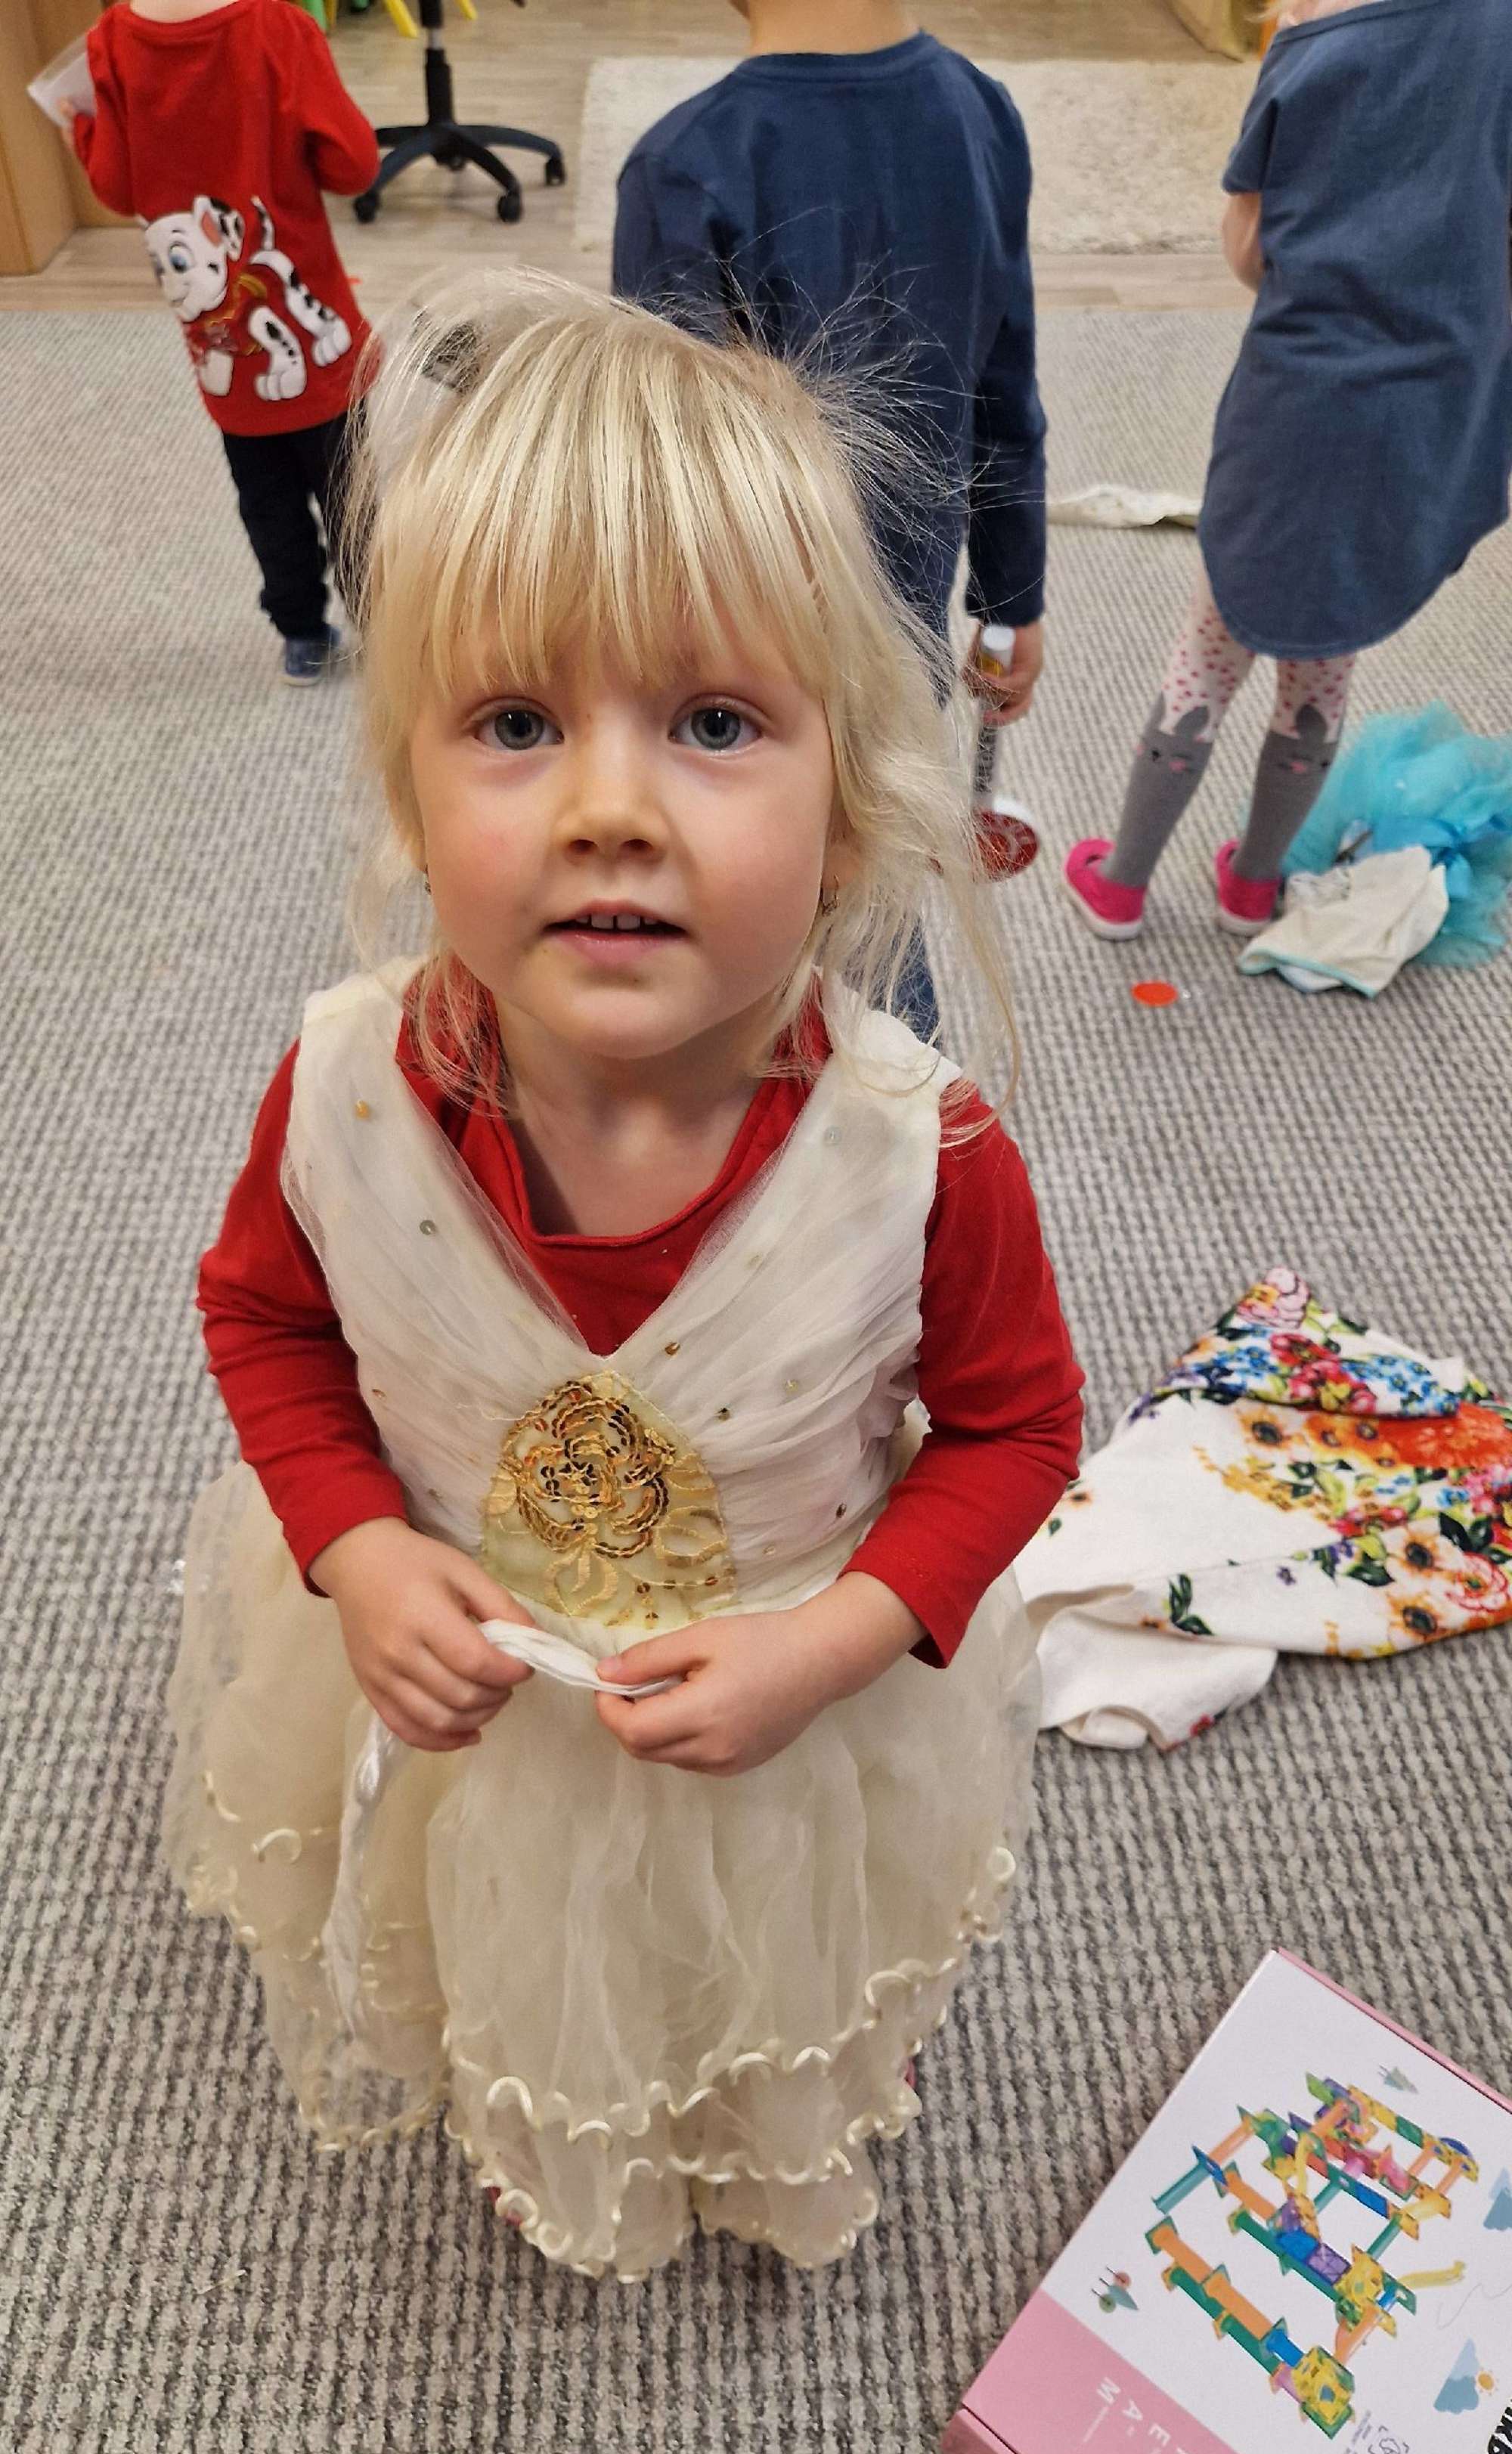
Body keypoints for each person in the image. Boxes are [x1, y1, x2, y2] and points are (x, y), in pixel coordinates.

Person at [166, 273, 1083, 2281]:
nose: (605, 808)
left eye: (714, 723)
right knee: (486, 1921)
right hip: (462, 1680)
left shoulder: (916, 1156)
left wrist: (832, 1646)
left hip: (778, 1692)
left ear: (848, 814)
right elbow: (268, 1320)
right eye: (515, 724)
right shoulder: (344, 1093)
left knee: (740, 1956)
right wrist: (356, 1549)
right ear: (412, 795)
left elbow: (1018, 1430)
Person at [612, 0, 1049, 1033]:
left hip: (740, 657)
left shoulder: (684, 165)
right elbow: (1004, 383)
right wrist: (1011, 596)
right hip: (905, 628)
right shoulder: (981, 111)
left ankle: (892, 1107)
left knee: (800, 945)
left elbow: (652, 483)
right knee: (866, 881)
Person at [1064, 0, 1512, 943]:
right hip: (1420, 415)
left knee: (1210, 650)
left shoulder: (1313, 39)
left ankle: (1121, 883)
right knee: (1322, 660)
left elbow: (1250, 252)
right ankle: (1251, 886)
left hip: (1296, 413)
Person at [67, 0, 380, 684]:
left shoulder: (112, 41)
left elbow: (117, 189)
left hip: (224, 355)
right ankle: (389, 630)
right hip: (319, 342)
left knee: (266, 500)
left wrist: (83, 131)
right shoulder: (279, 28)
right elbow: (354, 164)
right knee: (355, 498)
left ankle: (302, 635)